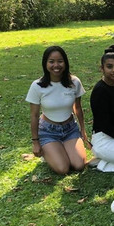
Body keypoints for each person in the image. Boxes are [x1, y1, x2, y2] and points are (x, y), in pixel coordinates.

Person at [26, 46, 88, 175]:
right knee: (62, 169)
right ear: (45, 64)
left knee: (79, 165)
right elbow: (34, 116)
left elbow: (78, 108)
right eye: (51, 61)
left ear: (65, 62)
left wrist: (83, 130)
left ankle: (61, 149)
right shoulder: (37, 86)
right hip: (48, 131)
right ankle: (49, 151)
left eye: (60, 61)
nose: (56, 65)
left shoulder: (74, 82)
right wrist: (35, 142)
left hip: (70, 129)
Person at [89, 45, 114, 172]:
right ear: (102, 68)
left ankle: (110, 159)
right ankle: (103, 163)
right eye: (109, 66)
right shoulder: (100, 91)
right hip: (104, 138)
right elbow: (105, 126)